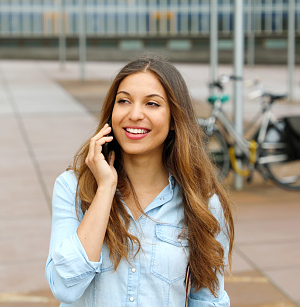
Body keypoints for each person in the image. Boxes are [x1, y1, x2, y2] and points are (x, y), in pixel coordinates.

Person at [45, 54, 235, 306]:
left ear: (174, 120)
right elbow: (64, 286)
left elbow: (207, 299)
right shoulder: (73, 188)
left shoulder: (202, 202)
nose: (135, 114)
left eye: (152, 104)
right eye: (124, 101)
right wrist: (105, 190)